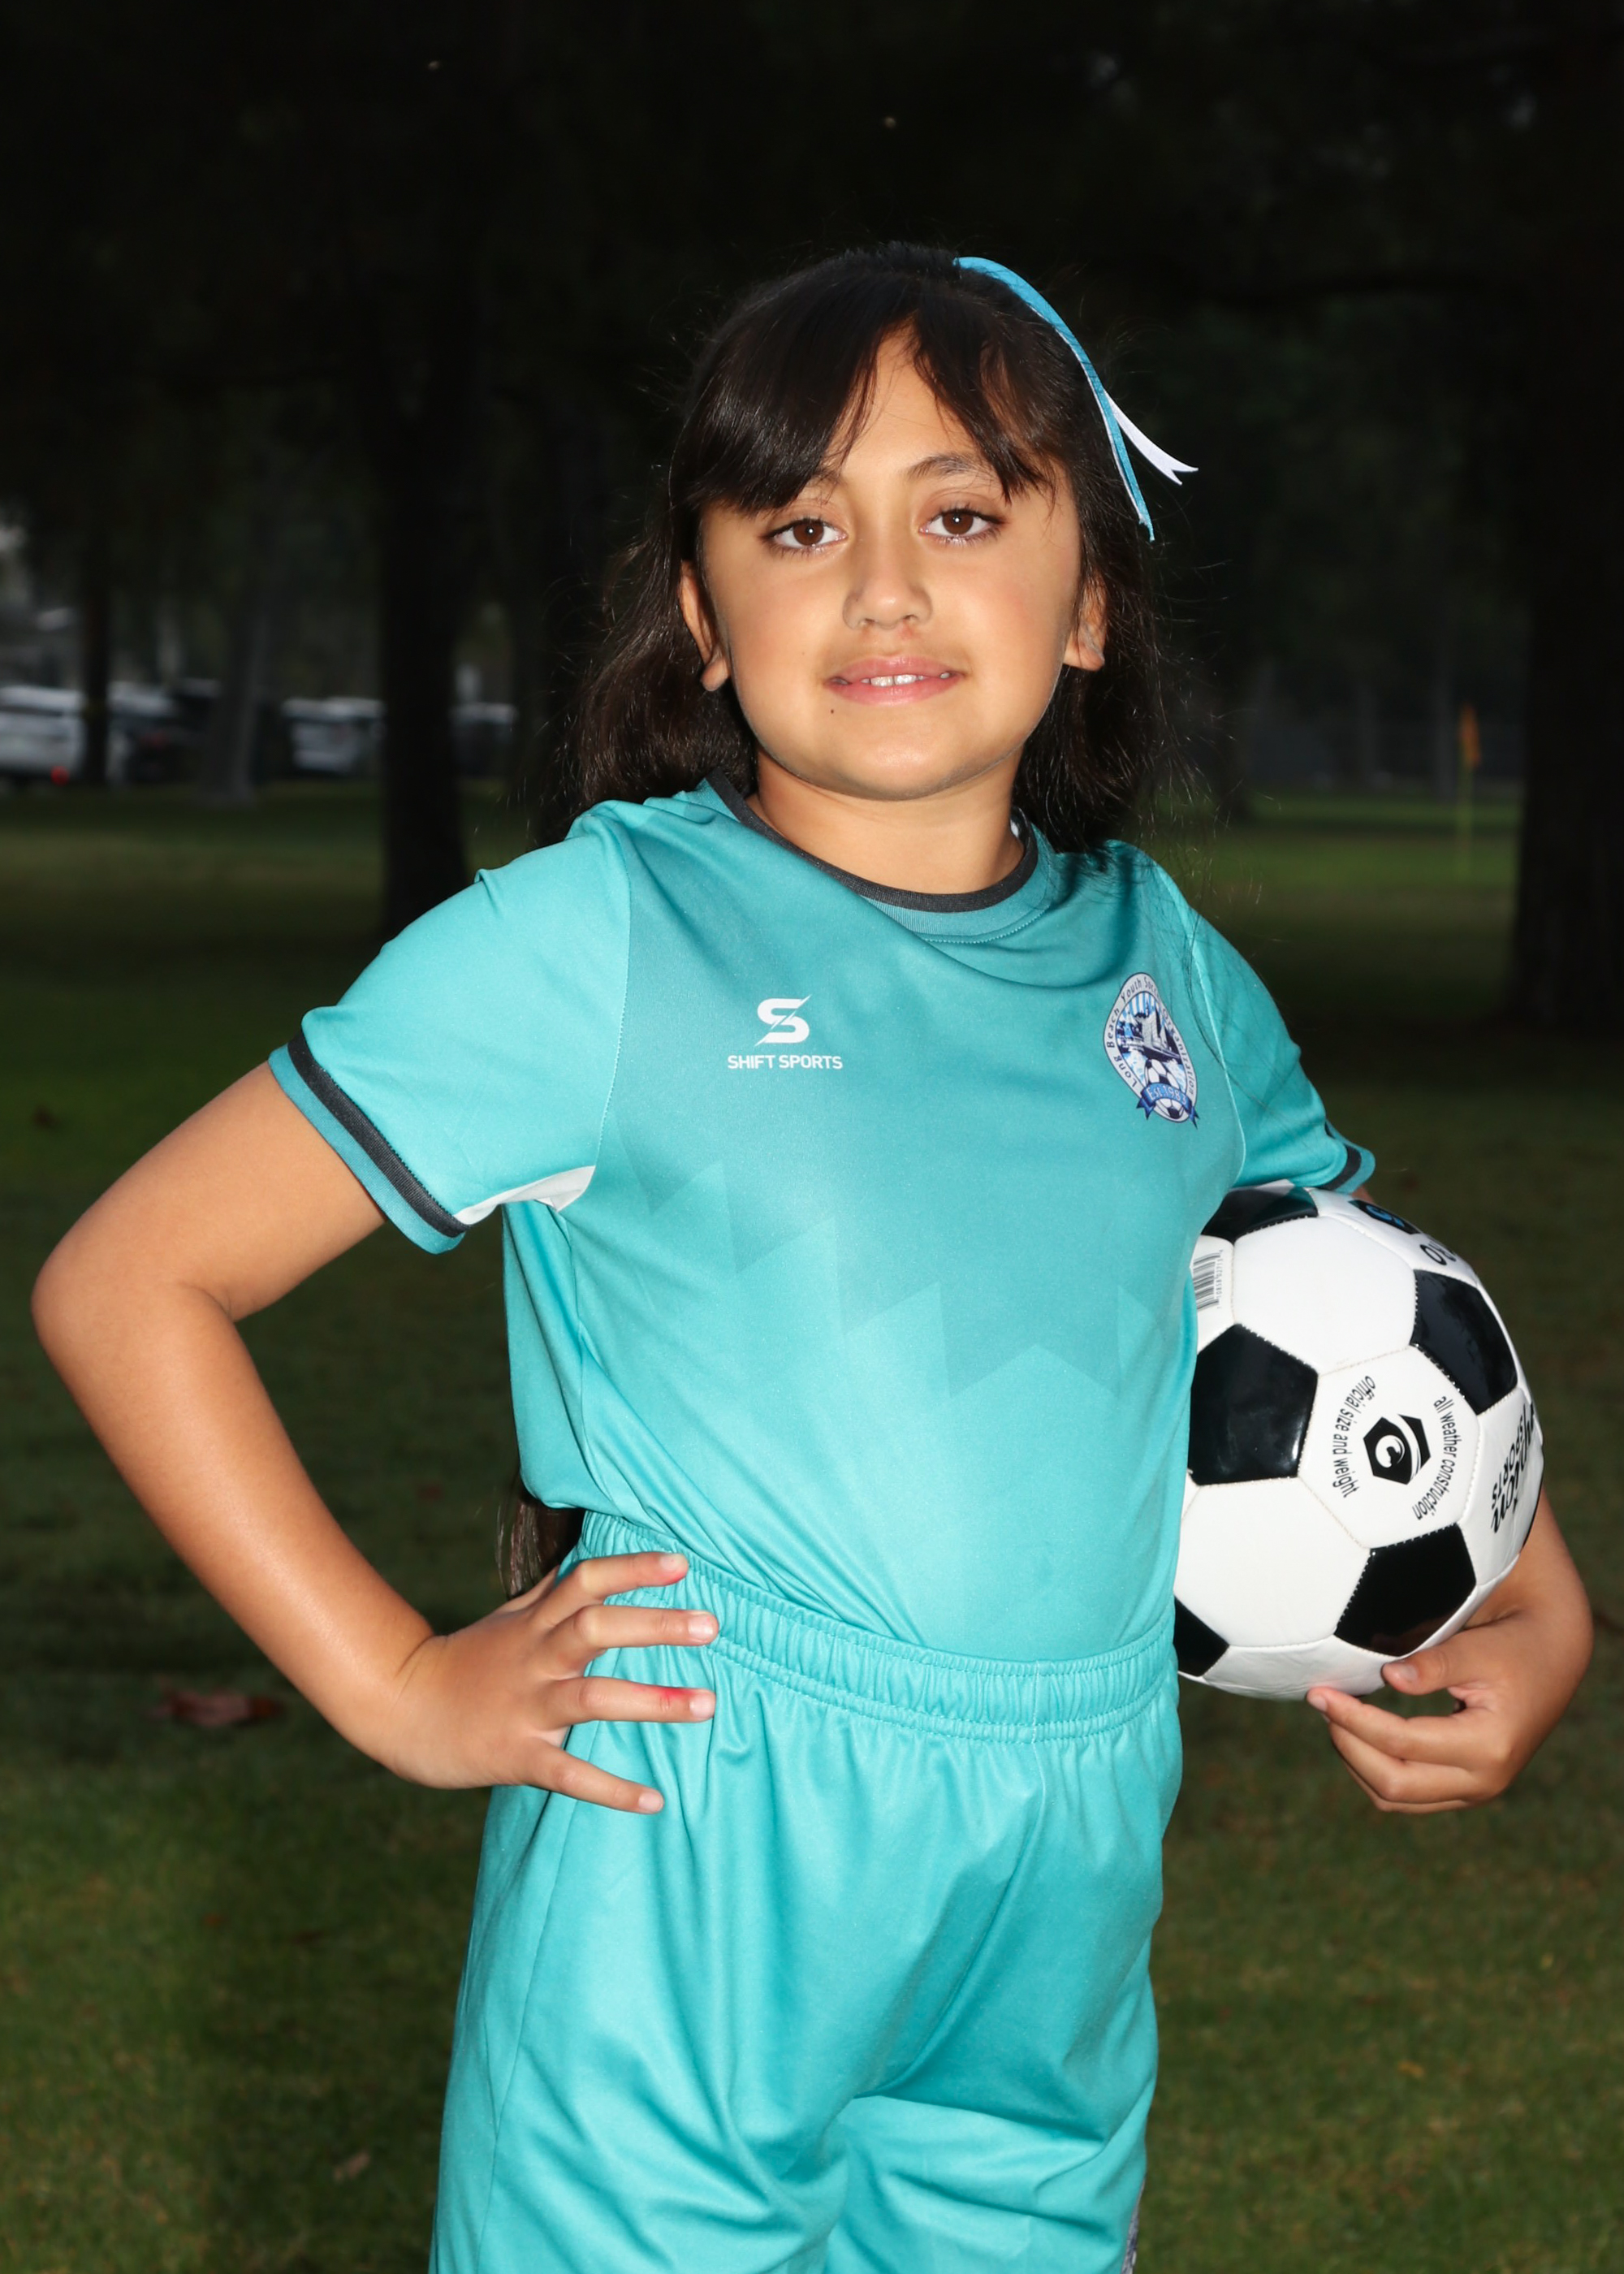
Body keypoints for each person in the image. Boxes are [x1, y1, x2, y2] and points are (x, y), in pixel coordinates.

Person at [33, 245, 1591, 2274]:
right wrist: (396, 1679)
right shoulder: (597, 944)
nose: (883, 587)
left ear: (1091, 601)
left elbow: (1382, 1317)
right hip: (693, 1856)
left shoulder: (1174, 982)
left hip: (1060, 1893)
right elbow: (131, 1279)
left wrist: (1534, 1607)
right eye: (798, 526)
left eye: (963, 515)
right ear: (700, 613)